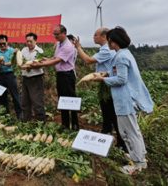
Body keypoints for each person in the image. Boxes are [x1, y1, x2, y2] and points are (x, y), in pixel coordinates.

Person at [92, 26, 154, 175]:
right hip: (126, 99)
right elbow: (119, 72)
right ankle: (140, 155)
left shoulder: (120, 57)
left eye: (110, 41)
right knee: (134, 130)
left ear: (113, 42)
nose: (109, 44)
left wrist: (103, 78)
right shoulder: (125, 54)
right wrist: (107, 73)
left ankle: (137, 163)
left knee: (128, 132)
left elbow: (121, 79)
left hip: (124, 100)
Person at [72, 28, 128, 153]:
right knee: (107, 112)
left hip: (108, 83)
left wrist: (78, 47)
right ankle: (106, 136)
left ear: (104, 37)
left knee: (112, 113)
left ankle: (121, 143)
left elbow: (88, 60)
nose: (93, 37)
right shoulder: (104, 50)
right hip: (106, 83)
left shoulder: (107, 50)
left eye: (95, 35)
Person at [30, 25, 79, 130]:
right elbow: (55, 57)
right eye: (54, 34)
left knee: (71, 100)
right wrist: (46, 59)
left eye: (57, 34)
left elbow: (57, 61)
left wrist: (41, 65)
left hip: (67, 76)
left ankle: (75, 124)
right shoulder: (59, 44)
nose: (55, 36)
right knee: (62, 99)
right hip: (61, 75)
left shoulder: (68, 46)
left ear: (64, 33)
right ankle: (65, 124)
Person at [0, 34, 22, 119]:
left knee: (15, 95)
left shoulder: (12, 51)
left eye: (4, 43)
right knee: (2, 96)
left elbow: (14, 62)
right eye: (0, 44)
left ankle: (20, 115)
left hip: (10, 75)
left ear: (7, 42)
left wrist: (5, 63)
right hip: (1, 75)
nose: (2, 45)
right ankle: (5, 116)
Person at [20, 32, 46, 122]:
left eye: (31, 41)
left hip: (36, 78)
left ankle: (41, 123)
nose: (28, 43)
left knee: (37, 102)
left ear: (35, 41)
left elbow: (41, 65)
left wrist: (29, 66)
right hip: (25, 78)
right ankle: (26, 122)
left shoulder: (39, 51)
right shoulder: (23, 50)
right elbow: (20, 61)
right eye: (27, 41)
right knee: (24, 101)